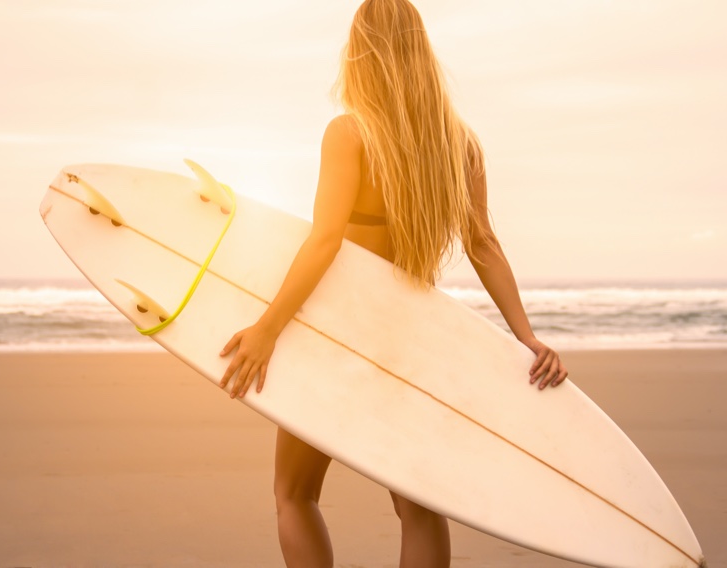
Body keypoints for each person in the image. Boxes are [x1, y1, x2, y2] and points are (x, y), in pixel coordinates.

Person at [218, 1, 568, 566]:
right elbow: (483, 244)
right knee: (420, 507)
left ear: (360, 54)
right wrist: (526, 336)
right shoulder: (460, 144)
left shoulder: (349, 133)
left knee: (295, 493)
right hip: (410, 342)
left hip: (334, 335)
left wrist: (267, 328)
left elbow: (325, 242)